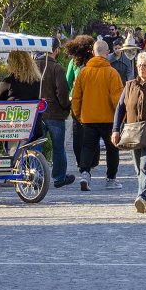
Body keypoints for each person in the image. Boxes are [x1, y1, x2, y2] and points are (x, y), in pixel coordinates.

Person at [112, 51, 146, 212]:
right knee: (139, 170)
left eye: (145, 66)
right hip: (133, 134)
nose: (141, 69)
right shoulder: (129, 85)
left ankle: (141, 197)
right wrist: (116, 129)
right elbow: (120, 108)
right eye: (139, 65)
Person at [72, 39, 126, 191]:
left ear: (93, 53)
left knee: (87, 147)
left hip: (88, 118)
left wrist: (79, 115)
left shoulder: (84, 72)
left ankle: (85, 173)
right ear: (107, 53)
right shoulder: (112, 73)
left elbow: (76, 97)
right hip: (109, 119)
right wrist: (122, 118)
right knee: (112, 149)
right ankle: (110, 179)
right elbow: (118, 100)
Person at [38, 39, 75, 188]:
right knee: (58, 148)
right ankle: (59, 177)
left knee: (36, 147)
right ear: (56, 50)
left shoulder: (32, 66)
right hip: (54, 113)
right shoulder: (57, 68)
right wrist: (66, 107)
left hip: (36, 112)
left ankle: (36, 176)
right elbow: (62, 92)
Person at [64, 35, 96, 175]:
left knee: (78, 132)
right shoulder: (94, 62)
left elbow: (67, 81)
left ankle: (80, 160)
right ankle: (91, 160)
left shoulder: (74, 63)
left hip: (76, 99)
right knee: (93, 129)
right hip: (92, 100)